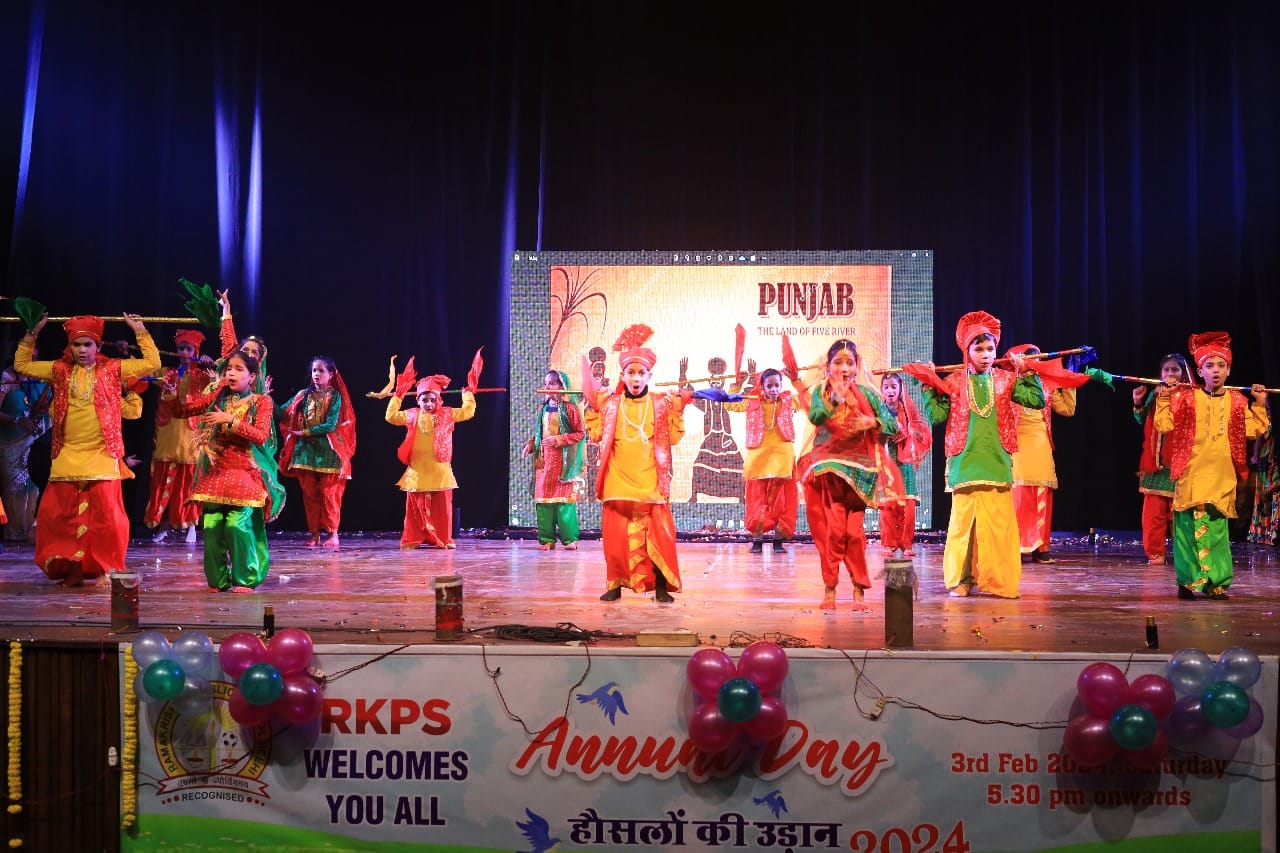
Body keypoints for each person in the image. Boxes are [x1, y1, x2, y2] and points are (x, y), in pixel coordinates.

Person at [903, 311, 1043, 599]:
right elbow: (937, 416)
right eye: (979, 349)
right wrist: (929, 384)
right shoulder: (954, 382)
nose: (986, 355)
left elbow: (1036, 400)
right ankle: (961, 580)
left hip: (996, 461)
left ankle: (1000, 582)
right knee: (963, 527)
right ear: (966, 351)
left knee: (999, 527)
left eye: (990, 349)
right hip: (964, 462)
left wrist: (1028, 373)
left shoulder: (1006, 379)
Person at [14, 312, 160, 586]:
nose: (82, 350)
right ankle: (73, 568)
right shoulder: (59, 370)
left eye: (88, 344)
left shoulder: (113, 369)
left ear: (98, 346)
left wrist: (140, 330)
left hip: (102, 454)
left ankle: (105, 568)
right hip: (67, 453)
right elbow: (21, 364)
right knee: (59, 516)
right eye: (76, 345)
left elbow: (153, 363)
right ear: (69, 347)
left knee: (107, 518)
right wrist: (33, 332)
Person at [1154, 331, 1269, 600]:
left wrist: (1259, 404)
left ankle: (1216, 583)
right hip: (1191, 473)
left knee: (1217, 531)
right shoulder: (1186, 398)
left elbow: (1254, 430)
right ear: (1199, 371)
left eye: (1221, 365)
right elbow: (1164, 424)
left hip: (1220, 476)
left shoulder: (1237, 401)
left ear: (1229, 371)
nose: (1215, 371)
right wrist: (1165, 398)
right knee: (1186, 530)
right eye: (1209, 366)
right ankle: (1187, 582)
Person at [583, 324, 687, 603]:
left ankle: (661, 587)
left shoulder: (661, 404)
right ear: (622, 376)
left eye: (641, 373)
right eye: (631, 372)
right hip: (618, 481)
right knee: (616, 538)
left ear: (650, 376)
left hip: (650, 482)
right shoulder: (611, 405)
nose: (636, 378)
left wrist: (678, 409)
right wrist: (593, 406)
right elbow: (596, 435)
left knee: (660, 536)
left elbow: (674, 438)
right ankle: (615, 585)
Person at [797, 339, 900, 611]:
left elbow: (892, 424)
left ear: (857, 366)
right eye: (838, 363)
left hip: (860, 472)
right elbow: (817, 417)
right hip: (830, 468)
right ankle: (830, 588)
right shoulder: (822, 393)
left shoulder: (867, 395)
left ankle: (858, 589)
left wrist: (873, 422)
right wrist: (835, 397)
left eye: (849, 363)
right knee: (833, 531)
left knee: (854, 533)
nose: (844, 368)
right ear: (828, 366)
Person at [169, 350, 279, 592]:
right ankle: (218, 579)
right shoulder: (218, 396)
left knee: (236, 525)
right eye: (229, 368)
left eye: (239, 369)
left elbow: (261, 436)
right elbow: (182, 412)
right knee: (211, 526)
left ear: (252, 377)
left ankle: (246, 578)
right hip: (217, 472)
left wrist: (230, 420)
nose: (231, 373)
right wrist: (170, 393)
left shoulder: (261, 401)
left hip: (245, 470)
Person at [385, 362, 475, 549]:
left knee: (442, 507)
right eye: (425, 400)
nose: (429, 404)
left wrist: (467, 395)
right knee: (415, 509)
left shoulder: (447, 414)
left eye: (432, 400)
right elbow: (390, 416)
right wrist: (397, 397)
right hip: (417, 470)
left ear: (439, 400)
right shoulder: (411, 415)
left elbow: (467, 412)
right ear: (418, 400)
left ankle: (443, 539)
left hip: (439, 469)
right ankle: (413, 538)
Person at [1006, 343, 1078, 564]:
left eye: (1038, 359)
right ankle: (1016, 545)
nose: (1035, 363)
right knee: (1019, 495)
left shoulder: (1045, 383)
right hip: (1016, 444)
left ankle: (1041, 546)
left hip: (1040, 443)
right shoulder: (1008, 382)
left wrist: (1070, 377)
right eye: (1030, 359)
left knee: (1041, 493)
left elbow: (1068, 409)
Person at [144, 329, 216, 545]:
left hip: (191, 437)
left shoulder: (203, 376)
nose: (184, 352)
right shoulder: (168, 373)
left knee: (187, 483)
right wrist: (126, 354)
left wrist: (212, 364)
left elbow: (222, 382)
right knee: (164, 483)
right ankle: (164, 524)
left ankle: (191, 525)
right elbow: (144, 370)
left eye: (189, 349)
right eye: (181, 348)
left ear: (196, 351)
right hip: (168, 436)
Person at [277, 356, 356, 547]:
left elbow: (330, 425)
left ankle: (333, 534)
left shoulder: (335, 397)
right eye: (314, 370)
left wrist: (304, 432)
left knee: (330, 493)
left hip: (329, 451)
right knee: (310, 494)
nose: (316, 374)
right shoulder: (302, 395)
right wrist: (263, 397)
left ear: (331, 374)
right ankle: (314, 534)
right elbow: (281, 412)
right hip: (305, 451)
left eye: (321, 371)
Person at [725, 364, 801, 553]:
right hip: (759, 456)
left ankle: (778, 540)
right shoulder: (752, 401)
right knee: (757, 499)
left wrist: (795, 381)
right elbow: (730, 404)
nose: (774, 389)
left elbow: (807, 400)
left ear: (781, 385)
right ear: (762, 386)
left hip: (782, 457)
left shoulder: (788, 401)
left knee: (781, 500)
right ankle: (757, 539)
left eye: (777, 385)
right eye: (770, 386)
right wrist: (737, 385)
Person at [1133, 353, 1195, 563]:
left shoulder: (1190, 396)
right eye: (1166, 370)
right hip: (1154, 463)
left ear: (1183, 373)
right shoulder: (1156, 393)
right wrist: (1138, 403)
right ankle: (1155, 553)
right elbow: (1141, 420)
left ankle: (1183, 554)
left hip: (1180, 462)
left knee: (1180, 514)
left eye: (1175, 370)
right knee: (1153, 513)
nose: (1170, 373)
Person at [521, 369, 586, 550]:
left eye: (552, 383)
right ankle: (547, 539)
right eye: (546, 383)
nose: (548, 387)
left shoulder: (569, 408)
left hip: (563, 462)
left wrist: (559, 439)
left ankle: (569, 539)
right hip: (544, 461)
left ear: (561, 386)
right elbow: (540, 433)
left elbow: (580, 433)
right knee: (543, 502)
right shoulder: (542, 408)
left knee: (563, 501)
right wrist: (531, 445)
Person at [878, 371, 932, 559]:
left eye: (894, 387)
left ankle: (906, 543)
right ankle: (889, 543)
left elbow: (920, 431)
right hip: (887, 462)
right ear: (882, 390)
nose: (890, 391)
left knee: (908, 504)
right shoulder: (879, 411)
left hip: (905, 463)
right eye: (886, 387)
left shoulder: (908, 411)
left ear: (900, 389)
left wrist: (907, 432)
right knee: (888, 505)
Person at [0, 352, 51, 543]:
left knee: (31, 488)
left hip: (27, 442)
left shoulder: (33, 379)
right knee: (15, 488)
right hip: (8, 443)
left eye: (35, 356)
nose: (32, 360)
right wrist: (18, 420)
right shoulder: (6, 378)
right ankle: (14, 535)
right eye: (28, 355)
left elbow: (41, 410)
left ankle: (27, 534)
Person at [679, 355, 745, 502]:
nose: (715, 385)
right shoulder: (705, 402)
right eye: (713, 382)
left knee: (737, 466)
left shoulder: (728, 400)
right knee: (699, 465)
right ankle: (694, 495)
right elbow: (688, 393)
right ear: (709, 383)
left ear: (723, 383)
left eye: (718, 382)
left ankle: (741, 496)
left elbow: (745, 396)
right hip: (711, 439)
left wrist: (749, 379)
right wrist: (683, 375)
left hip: (726, 439)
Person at [1247, 404, 1277, 546]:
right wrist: (1255, 455)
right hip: (1266, 461)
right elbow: (1259, 437)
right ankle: (1263, 532)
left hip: (1273, 462)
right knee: (1264, 496)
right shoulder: (1267, 420)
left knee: (1274, 494)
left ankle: (1273, 532)